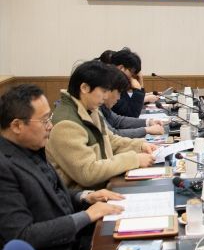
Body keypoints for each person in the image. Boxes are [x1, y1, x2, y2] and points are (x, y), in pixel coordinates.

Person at [0, 84, 124, 250]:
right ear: (17, 125)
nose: (50, 126)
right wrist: (86, 216)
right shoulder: (4, 167)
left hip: (75, 239)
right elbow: (23, 236)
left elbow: (53, 195)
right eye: (44, 121)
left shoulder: (31, 148)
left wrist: (85, 196)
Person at [46, 60, 157, 189]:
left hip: (104, 185)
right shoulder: (66, 124)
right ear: (84, 88)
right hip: (87, 195)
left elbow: (109, 140)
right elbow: (88, 172)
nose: (105, 97)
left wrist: (140, 146)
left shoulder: (89, 109)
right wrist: (134, 160)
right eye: (103, 91)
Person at [100, 68, 165, 138]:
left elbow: (117, 120)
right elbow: (113, 135)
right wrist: (146, 130)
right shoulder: (96, 108)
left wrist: (148, 122)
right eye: (118, 93)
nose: (119, 98)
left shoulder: (101, 106)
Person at [104, 47, 158, 117]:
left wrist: (140, 82)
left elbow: (130, 105)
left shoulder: (118, 83)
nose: (132, 77)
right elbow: (132, 114)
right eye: (132, 72)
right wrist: (138, 89)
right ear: (121, 68)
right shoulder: (109, 84)